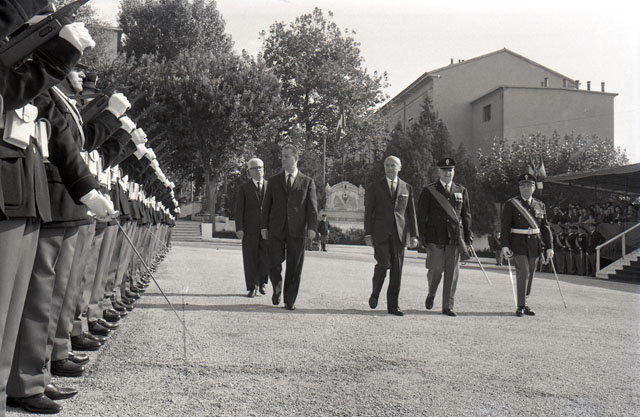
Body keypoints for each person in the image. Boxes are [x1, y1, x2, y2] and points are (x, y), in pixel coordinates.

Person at [261, 145, 318, 311]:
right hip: (276, 228)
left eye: (287, 156)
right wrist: (264, 226)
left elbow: (312, 208)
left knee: (295, 266)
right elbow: (266, 206)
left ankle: (290, 299)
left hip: (297, 229)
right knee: (273, 261)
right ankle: (277, 288)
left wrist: (312, 227)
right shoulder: (274, 181)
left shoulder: (307, 182)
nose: (283, 159)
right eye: (282, 156)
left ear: (296, 158)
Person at [417, 157, 472, 317]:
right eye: (444, 170)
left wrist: (468, 237)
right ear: (438, 171)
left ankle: (447, 305)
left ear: (454, 171)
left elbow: (466, 215)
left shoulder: (461, 190)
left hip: (454, 238)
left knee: (452, 274)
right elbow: (421, 215)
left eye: (450, 170)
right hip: (435, 238)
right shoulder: (429, 190)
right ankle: (431, 293)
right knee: (436, 270)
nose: (447, 173)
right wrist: (421, 236)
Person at [364, 156, 418, 317]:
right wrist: (368, 233)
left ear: (399, 167)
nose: (389, 168)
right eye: (387, 165)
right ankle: (375, 293)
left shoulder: (407, 187)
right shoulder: (374, 187)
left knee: (397, 270)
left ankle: (393, 306)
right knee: (383, 264)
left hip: (399, 234)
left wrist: (414, 235)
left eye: (393, 165)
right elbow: (369, 212)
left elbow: (411, 213)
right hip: (380, 233)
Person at [500, 174, 553, 317]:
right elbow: (505, 226)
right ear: (519, 187)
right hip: (518, 244)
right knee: (523, 272)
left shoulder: (540, 205)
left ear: (534, 188)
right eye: (522, 185)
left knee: (531, 274)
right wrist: (504, 245)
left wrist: (549, 247)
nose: (526, 188)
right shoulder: (512, 204)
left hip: (534, 244)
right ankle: (521, 305)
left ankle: (525, 301)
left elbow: (545, 228)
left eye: (529, 185)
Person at [235, 158, 269, 298]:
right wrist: (239, 228)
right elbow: (239, 210)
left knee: (265, 257)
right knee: (250, 258)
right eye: (255, 168)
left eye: (260, 167)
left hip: (267, 230)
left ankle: (262, 283)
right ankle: (252, 286)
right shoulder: (243, 188)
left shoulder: (270, 186)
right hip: (249, 230)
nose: (258, 170)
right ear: (249, 172)